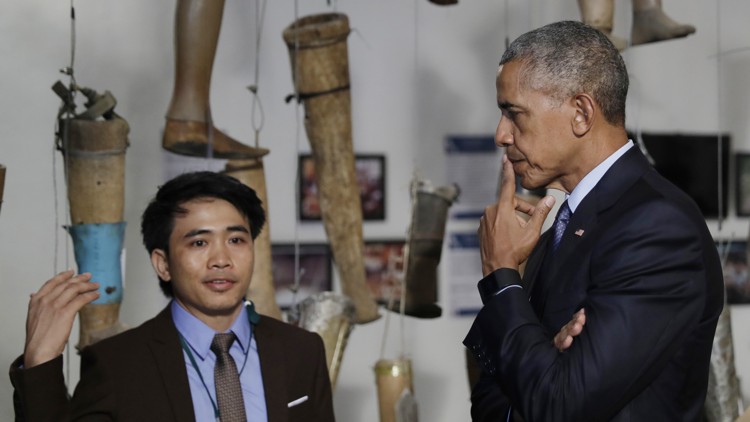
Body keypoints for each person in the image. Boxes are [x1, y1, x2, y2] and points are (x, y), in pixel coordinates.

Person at [463, 20, 723, 421]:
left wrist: (501, 275)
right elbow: (486, 401)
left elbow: (559, 406)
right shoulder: (559, 229)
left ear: (581, 113)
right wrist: (545, 356)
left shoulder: (659, 226)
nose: (501, 134)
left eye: (513, 114)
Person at [10, 171, 335, 421]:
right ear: (163, 264)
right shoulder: (118, 364)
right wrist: (40, 363)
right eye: (199, 243)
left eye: (236, 240)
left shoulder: (301, 351)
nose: (221, 259)